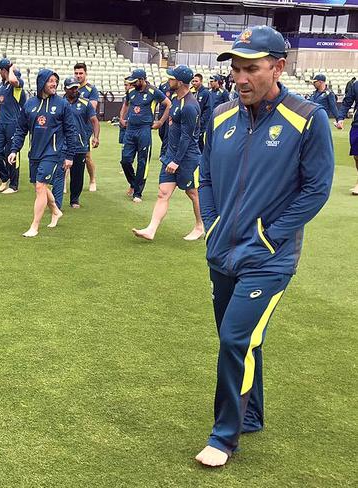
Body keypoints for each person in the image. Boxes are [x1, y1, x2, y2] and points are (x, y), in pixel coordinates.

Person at [196, 26, 334, 467]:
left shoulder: (307, 118)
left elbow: (316, 189)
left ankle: (223, 437)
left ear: (278, 67)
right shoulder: (220, 116)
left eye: (251, 68)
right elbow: (209, 175)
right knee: (240, 338)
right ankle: (251, 414)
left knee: (235, 339)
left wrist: (269, 236)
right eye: (236, 68)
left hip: (269, 260)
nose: (240, 78)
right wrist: (214, 224)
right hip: (222, 252)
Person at [132, 65, 204, 242]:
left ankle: (200, 226)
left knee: (193, 193)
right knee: (163, 193)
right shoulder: (175, 99)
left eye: (171, 78)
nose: (168, 81)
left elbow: (187, 137)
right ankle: (151, 229)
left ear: (179, 82)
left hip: (187, 158)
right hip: (171, 156)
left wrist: (177, 161)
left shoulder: (190, 106)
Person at [8, 69, 77, 237]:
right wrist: (14, 149)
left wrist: (69, 156)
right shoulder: (29, 104)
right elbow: (21, 129)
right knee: (38, 185)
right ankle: (55, 210)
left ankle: (34, 227)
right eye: (50, 81)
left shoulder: (62, 104)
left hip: (53, 153)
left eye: (55, 81)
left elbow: (71, 130)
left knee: (40, 186)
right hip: (35, 153)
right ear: (41, 83)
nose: (54, 84)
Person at [118, 68, 171, 202]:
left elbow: (168, 104)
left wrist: (160, 122)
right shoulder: (130, 91)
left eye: (135, 81)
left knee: (142, 161)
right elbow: (125, 104)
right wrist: (121, 118)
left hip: (144, 130)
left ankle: (138, 193)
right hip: (130, 129)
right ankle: (133, 183)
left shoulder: (153, 91)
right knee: (125, 160)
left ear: (142, 80)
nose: (132, 84)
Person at [0, 58, 26, 194]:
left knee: (11, 154)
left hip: (13, 124)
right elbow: (0, 104)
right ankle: (5, 177)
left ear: (4, 70)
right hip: (1, 124)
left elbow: (13, 81)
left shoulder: (17, 83)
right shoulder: (1, 86)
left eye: (0, 69)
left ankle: (13, 185)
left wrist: (11, 68)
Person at [63, 76, 100, 208]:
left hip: (79, 143)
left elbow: (94, 121)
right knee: (59, 172)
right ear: (65, 89)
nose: (74, 90)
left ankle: (74, 199)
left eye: (75, 88)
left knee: (77, 174)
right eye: (71, 88)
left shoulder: (85, 103)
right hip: (63, 143)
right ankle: (57, 200)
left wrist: (96, 137)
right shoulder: (60, 102)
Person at [74, 62, 99, 192]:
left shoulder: (91, 90)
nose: (78, 76)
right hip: (72, 127)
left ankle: (92, 179)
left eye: (81, 73)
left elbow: (92, 108)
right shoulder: (72, 88)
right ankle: (66, 184)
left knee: (86, 156)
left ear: (85, 74)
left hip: (85, 128)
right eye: (76, 73)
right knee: (68, 153)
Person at [337, 76, 358, 194]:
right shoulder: (356, 85)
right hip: (357, 124)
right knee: (356, 155)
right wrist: (340, 118)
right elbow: (347, 102)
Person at [191, 73, 211, 151]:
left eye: (196, 81)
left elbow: (208, 109)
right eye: (193, 81)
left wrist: (201, 121)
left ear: (201, 81)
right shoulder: (192, 92)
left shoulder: (205, 93)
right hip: (192, 122)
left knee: (199, 142)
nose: (194, 83)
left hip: (201, 124)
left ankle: (202, 159)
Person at [157, 76, 175, 159]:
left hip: (171, 111)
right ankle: (166, 147)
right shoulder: (163, 85)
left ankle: (163, 152)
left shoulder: (175, 85)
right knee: (161, 132)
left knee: (167, 133)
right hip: (162, 111)